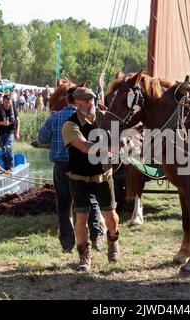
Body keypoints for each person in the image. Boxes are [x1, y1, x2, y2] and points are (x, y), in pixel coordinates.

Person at [39, 85, 105, 255]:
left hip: (61, 165)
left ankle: (67, 244)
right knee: (91, 200)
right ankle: (97, 236)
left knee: (63, 204)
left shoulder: (55, 117)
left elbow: (41, 138)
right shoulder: (90, 118)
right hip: (84, 164)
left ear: (66, 100)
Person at [62, 87, 120, 272]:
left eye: (92, 100)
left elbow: (120, 132)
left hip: (103, 175)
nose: (91, 104)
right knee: (81, 218)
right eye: (86, 102)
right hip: (79, 177)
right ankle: (84, 257)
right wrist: (109, 146)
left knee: (110, 215)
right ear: (77, 104)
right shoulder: (70, 125)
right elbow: (86, 147)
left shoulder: (104, 118)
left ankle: (112, 241)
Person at [0, 94, 19, 171]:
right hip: (1, 133)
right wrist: (2, 123)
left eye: (9, 102)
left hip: (10, 132)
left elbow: (18, 121)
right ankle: (6, 167)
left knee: (8, 147)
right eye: (6, 102)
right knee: (4, 150)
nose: (7, 104)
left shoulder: (13, 109)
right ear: (3, 102)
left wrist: (16, 133)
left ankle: (11, 167)